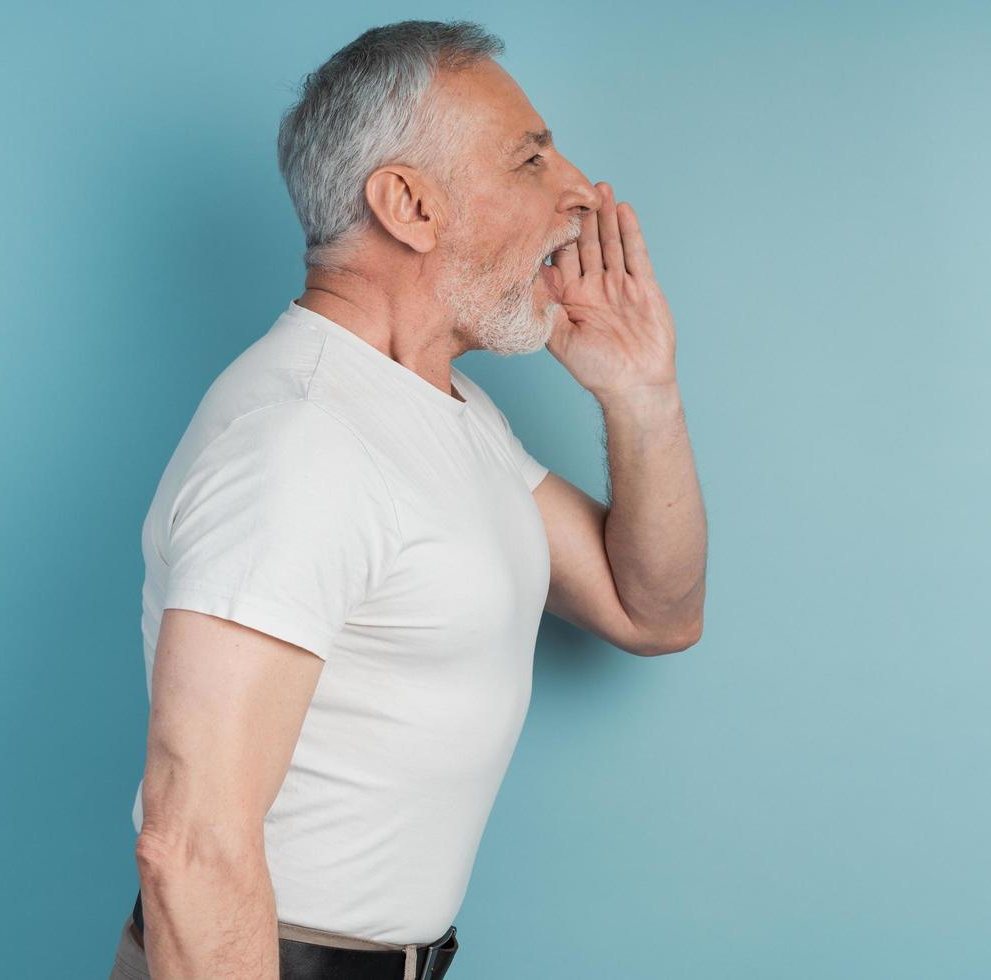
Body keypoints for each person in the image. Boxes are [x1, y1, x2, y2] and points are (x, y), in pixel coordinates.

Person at [108, 19, 707, 980]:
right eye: (529, 158)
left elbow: (654, 610)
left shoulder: (442, 413)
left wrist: (642, 392)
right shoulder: (301, 440)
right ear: (408, 206)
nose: (580, 192)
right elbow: (192, 848)